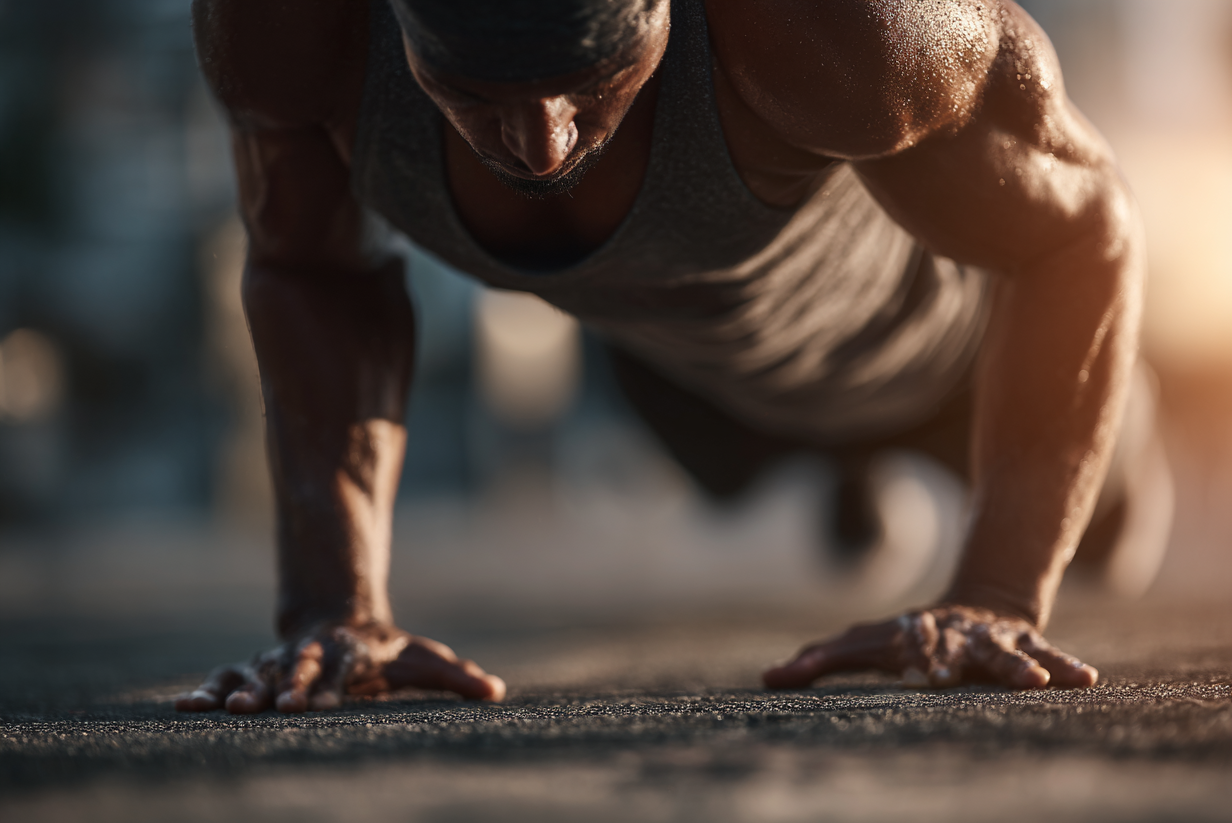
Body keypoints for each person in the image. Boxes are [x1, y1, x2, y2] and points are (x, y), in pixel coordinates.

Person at [178, 0, 1144, 714]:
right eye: (474, 91)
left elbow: (1082, 234)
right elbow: (311, 268)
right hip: (679, 382)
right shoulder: (291, 32)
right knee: (782, 490)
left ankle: (978, 466)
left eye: (592, 79)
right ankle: (844, 480)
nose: (542, 145)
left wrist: (999, 593)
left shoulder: (846, 30)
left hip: (955, 375)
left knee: (1115, 543)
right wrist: (332, 608)